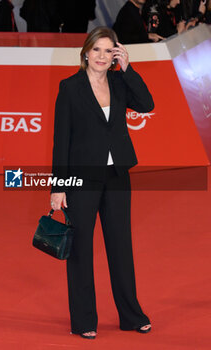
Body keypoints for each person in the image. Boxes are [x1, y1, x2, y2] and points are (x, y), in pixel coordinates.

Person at [50, 26, 154, 339]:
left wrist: (130, 68)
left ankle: (131, 315)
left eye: (109, 51)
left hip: (117, 175)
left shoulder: (121, 82)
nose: (102, 56)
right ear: (86, 52)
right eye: (97, 49)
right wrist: (58, 186)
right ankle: (84, 321)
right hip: (82, 179)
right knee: (81, 249)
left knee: (121, 247)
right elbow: (61, 140)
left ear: (115, 56)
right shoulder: (70, 88)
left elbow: (146, 104)